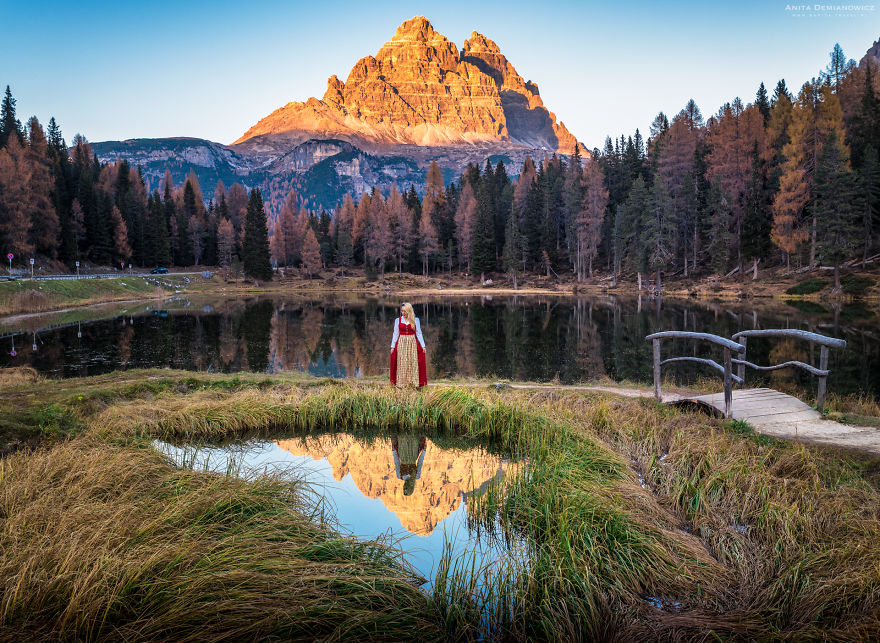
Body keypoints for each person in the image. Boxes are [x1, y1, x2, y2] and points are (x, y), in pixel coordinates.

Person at [389, 302, 427, 388]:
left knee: (412, 362)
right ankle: (402, 383)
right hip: (402, 342)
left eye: (405, 311)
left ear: (409, 311)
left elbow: (419, 333)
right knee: (402, 362)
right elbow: (395, 334)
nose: (403, 313)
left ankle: (413, 382)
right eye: (402, 311)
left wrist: (423, 345)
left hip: (412, 342)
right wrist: (393, 346)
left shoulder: (415, 320)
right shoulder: (397, 320)